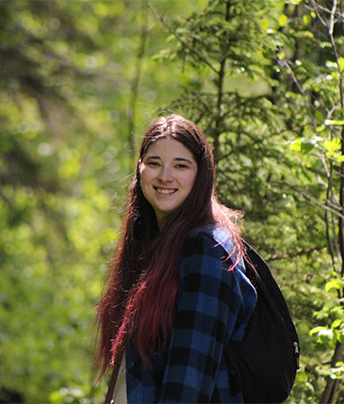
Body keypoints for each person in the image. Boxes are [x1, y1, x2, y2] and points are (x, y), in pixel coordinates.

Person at [95, 114, 257, 403]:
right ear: (140, 169)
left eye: (181, 166)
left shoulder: (206, 252)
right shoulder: (160, 242)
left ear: (201, 173)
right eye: (154, 163)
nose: (164, 176)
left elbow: (189, 381)